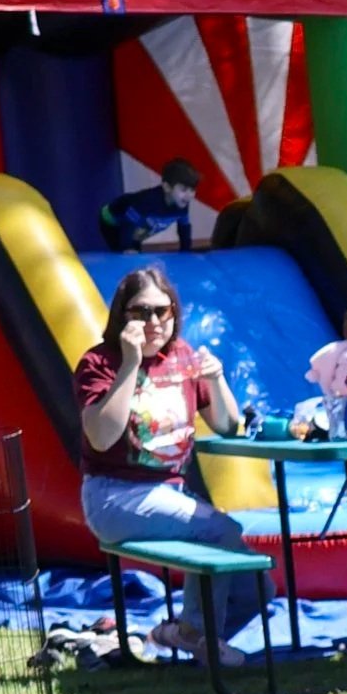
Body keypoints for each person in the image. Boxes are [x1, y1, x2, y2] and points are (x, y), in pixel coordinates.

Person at [73, 267, 258, 662]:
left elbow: (226, 425)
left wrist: (218, 377)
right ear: (122, 315)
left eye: (163, 310)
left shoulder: (184, 357)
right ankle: (196, 634)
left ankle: (181, 634)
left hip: (170, 494)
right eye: (141, 311)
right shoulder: (99, 362)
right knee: (221, 530)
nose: (154, 321)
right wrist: (129, 365)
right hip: (113, 497)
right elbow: (102, 437)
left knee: (255, 587)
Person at [99, 160, 204, 254]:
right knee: (126, 253)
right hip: (111, 219)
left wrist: (185, 250)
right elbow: (128, 223)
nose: (189, 195)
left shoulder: (182, 203)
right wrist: (127, 248)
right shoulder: (148, 201)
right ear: (167, 187)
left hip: (135, 225)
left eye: (192, 190)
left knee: (136, 246)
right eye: (184, 189)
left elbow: (184, 227)